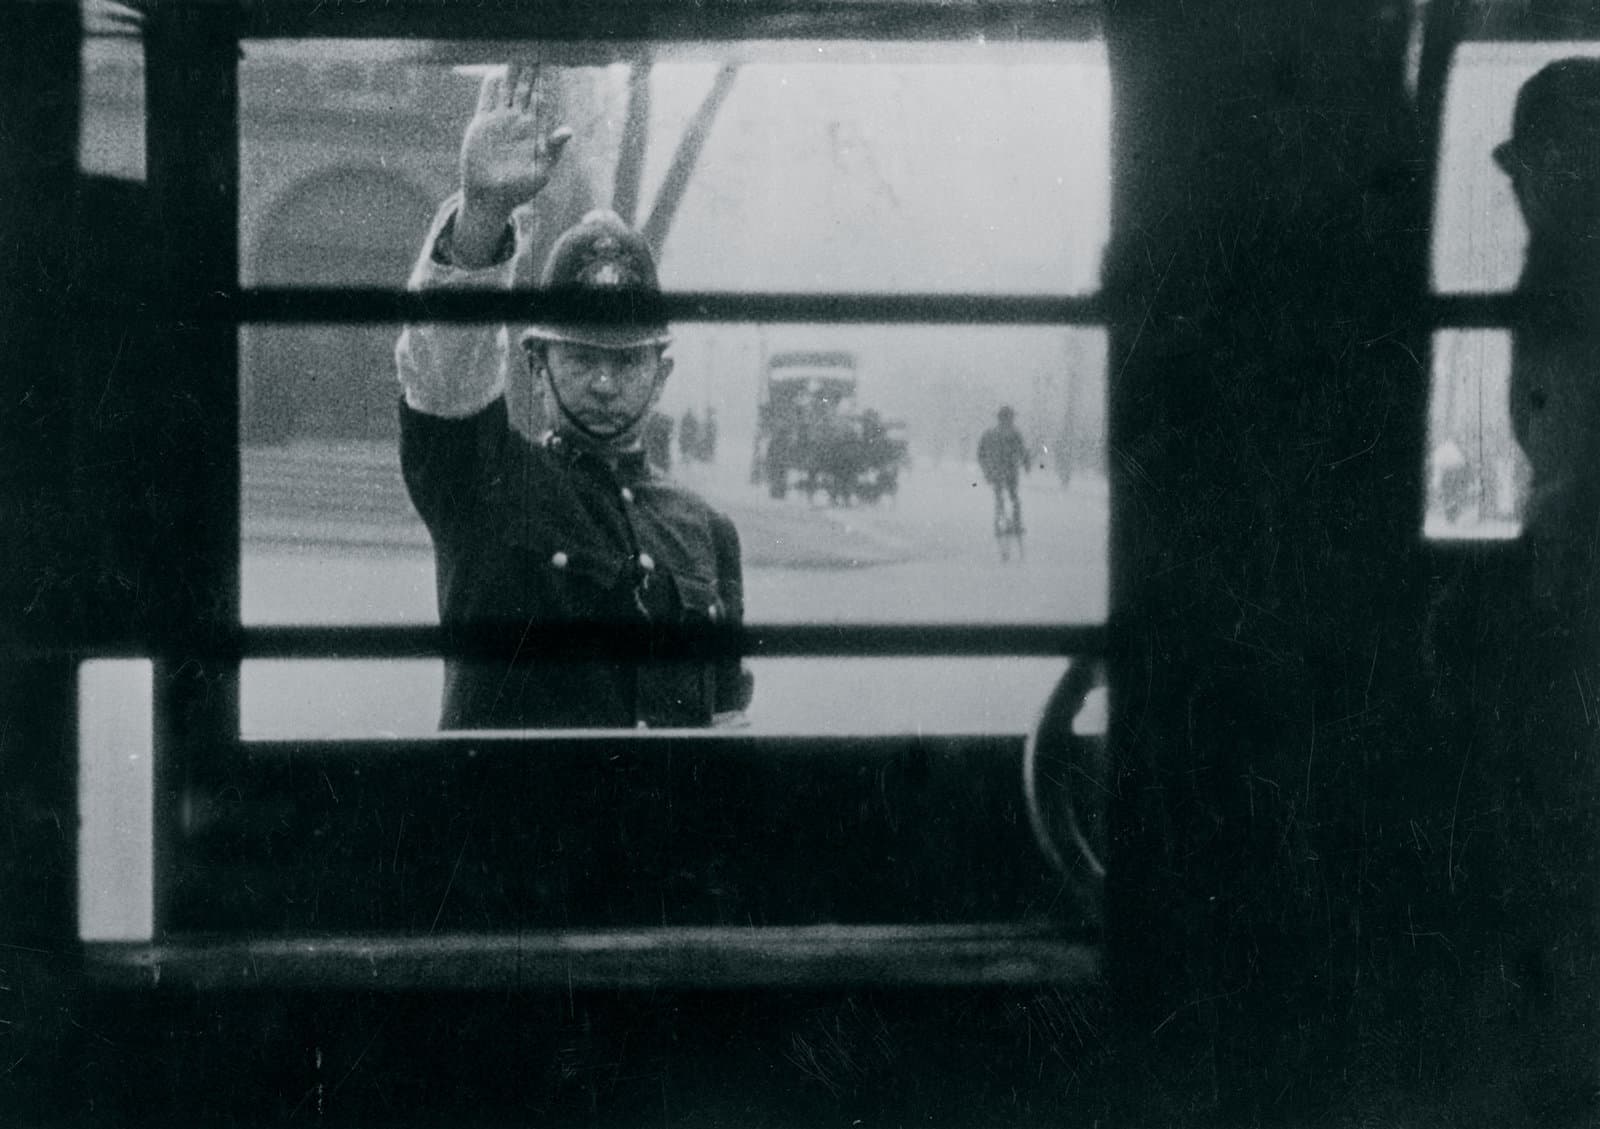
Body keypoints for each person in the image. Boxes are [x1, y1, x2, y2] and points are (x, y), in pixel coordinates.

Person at [395, 64, 752, 730]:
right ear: (536, 363)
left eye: (628, 360)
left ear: (662, 373)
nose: (605, 382)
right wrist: (482, 218)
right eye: (582, 357)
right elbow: (444, 377)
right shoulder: (488, 480)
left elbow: (725, 729)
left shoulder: (707, 531)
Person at [977, 405, 1029, 532]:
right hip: (1008, 469)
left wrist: (986, 468)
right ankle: (1013, 522)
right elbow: (1022, 451)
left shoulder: (991, 433)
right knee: (1012, 496)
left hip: (997, 470)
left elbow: (981, 453)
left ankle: (1001, 521)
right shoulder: (1014, 434)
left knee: (1001, 496)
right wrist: (1026, 463)